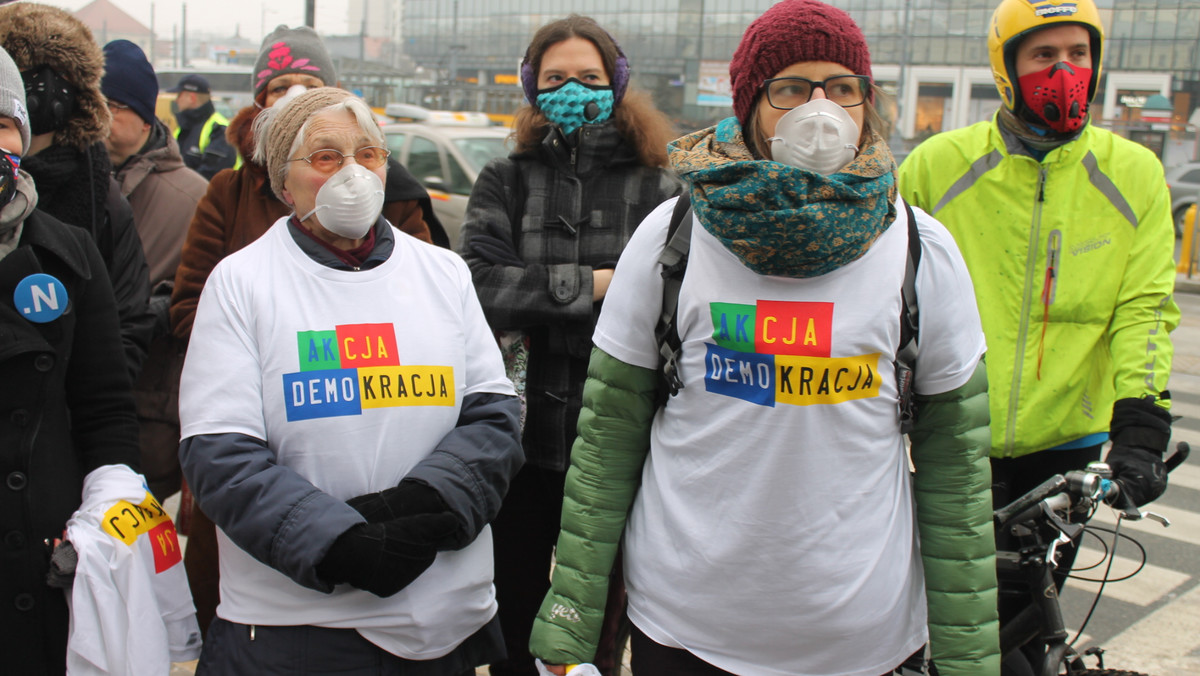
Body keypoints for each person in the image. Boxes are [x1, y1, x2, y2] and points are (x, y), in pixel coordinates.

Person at [528, 2, 1000, 675]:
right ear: (751, 103)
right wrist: (569, 626)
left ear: (867, 102)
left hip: (862, 639)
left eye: (842, 87)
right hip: (685, 628)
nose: (820, 109)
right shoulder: (671, 238)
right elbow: (608, 440)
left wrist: (970, 659)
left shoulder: (920, 248)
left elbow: (955, 466)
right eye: (790, 89)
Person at [178, 86, 522, 675]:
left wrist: (426, 504)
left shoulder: (441, 272)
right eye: (326, 156)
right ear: (284, 182)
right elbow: (220, 454)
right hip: (294, 628)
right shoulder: (241, 283)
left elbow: (493, 416)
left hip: (439, 620)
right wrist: (337, 543)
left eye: (368, 154)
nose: (353, 174)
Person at [897, 0, 1179, 670]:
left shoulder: (1134, 173)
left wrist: (1140, 426)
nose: (1064, 71)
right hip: (951, 440)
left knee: (1024, 630)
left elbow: (1144, 308)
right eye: (1043, 56)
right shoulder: (939, 165)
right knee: (949, 630)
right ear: (1007, 69)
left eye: (1078, 55)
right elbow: (888, 295)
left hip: (1066, 452)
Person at [170, 26, 442, 638]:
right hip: (261, 420)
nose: (293, 94)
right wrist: (261, 342)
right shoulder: (228, 191)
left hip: (382, 409)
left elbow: (425, 310)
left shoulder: (391, 195)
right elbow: (190, 304)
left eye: (309, 84)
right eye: (279, 85)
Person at [455, 14, 682, 676]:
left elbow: (665, 306)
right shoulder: (505, 178)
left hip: (620, 442)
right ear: (532, 88)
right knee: (513, 615)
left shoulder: (661, 187)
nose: (572, 89)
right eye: (555, 78)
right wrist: (600, 284)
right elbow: (479, 285)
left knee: (598, 630)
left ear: (616, 84)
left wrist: (544, 299)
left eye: (589, 76)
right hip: (519, 441)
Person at [0, 43, 141, 674]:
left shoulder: (71, 254)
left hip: (45, 558)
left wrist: (105, 521)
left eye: (1, 124)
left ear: (23, 137)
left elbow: (107, 410)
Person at [0, 2, 154, 381]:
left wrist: (80, 408)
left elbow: (128, 318)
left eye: (61, 74)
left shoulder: (103, 195)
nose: (46, 86)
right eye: (31, 70)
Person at [101, 39, 208, 502]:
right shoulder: (69, 182)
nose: (100, 116)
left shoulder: (192, 196)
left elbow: (202, 298)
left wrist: (155, 311)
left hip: (151, 402)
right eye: (92, 104)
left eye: (112, 105)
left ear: (145, 115)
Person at [169, 74, 239, 180]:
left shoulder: (219, 129)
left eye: (179, 95)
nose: (176, 100)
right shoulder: (182, 128)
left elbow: (211, 175)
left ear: (192, 98)